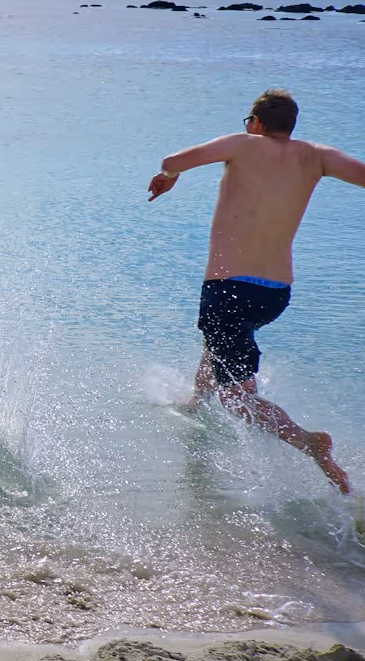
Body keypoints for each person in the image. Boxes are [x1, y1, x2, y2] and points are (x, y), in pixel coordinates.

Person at [148, 89, 362, 494]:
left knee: (238, 398)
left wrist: (170, 177)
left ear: (257, 122)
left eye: (248, 122)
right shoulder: (318, 155)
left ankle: (308, 443)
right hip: (275, 294)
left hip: (229, 286)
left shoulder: (244, 145)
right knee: (220, 340)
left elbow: (171, 161)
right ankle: (198, 399)